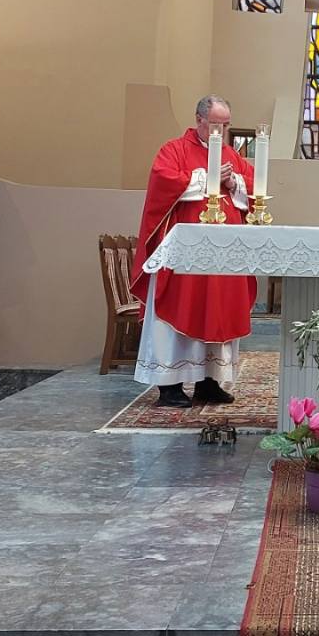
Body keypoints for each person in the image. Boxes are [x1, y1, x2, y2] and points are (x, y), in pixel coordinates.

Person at [129, 96, 256, 408]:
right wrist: (207, 177)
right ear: (199, 120)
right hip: (184, 254)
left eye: (226, 125)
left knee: (218, 311)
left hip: (223, 254)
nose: (221, 132)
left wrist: (234, 182)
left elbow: (254, 184)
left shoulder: (231, 156)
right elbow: (163, 181)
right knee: (180, 307)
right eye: (215, 124)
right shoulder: (173, 150)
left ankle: (209, 381)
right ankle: (169, 385)